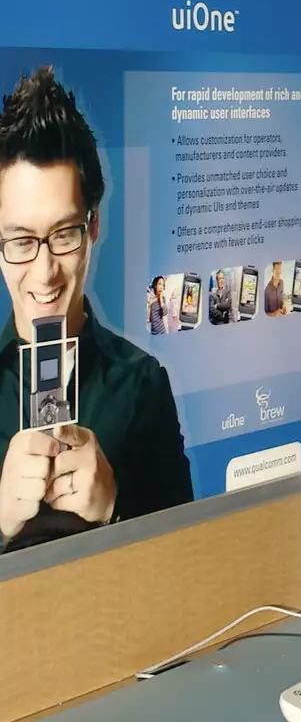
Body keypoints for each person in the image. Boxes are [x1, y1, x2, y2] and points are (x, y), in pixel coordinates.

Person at [0, 68, 193, 552]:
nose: (44, 272)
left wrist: (117, 507)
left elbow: (189, 560)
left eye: (63, 235)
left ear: (93, 227)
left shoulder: (144, 384)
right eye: (21, 241)